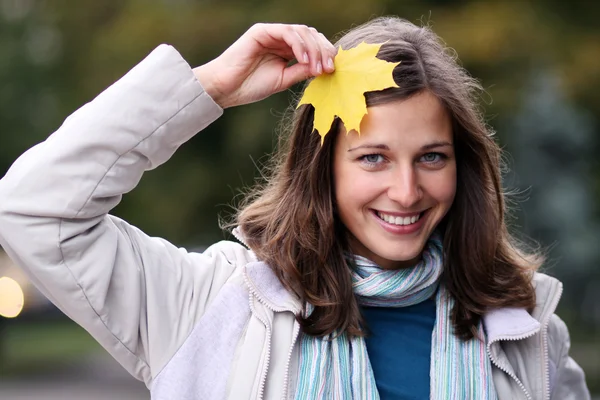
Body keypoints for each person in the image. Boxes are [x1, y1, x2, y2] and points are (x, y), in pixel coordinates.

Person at [0, 16, 590, 400]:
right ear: (323, 168)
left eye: (431, 157)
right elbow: (32, 209)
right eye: (374, 159)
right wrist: (208, 87)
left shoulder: (528, 328)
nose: (407, 191)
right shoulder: (209, 306)